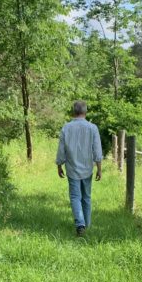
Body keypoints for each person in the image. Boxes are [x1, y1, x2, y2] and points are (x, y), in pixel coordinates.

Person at [55, 101, 103, 236]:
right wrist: (99, 168)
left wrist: (59, 165)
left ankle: (80, 225)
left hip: (71, 168)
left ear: (73, 112)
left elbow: (61, 149)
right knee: (86, 197)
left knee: (75, 197)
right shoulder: (92, 128)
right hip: (87, 168)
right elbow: (97, 150)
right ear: (85, 112)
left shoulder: (66, 128)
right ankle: (86, 225)